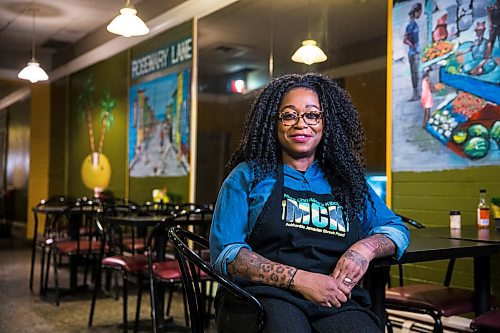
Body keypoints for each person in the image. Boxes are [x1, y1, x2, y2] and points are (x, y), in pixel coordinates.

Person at [209, 73, 410, 333]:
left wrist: (364, 249)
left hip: (332, 296)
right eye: (289, 115)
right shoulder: (248, 176)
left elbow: (395, 229)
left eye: (313, 115)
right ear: (274, 123)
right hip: (262, 296)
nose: (301, 124)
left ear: (326, 123)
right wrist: (301, 280)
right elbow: (227, 254)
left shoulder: (347, 181)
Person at [403, 3, 422, 101]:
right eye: (419, 12)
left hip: (415, 52)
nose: (420, 14)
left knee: (416, 73)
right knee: (414, 73)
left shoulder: (414, 23)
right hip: (413, 53)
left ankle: (417, 93)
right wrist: (413, 46)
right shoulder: (411, 24)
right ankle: (415, 94)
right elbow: (405, 39)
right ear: (415, 12)